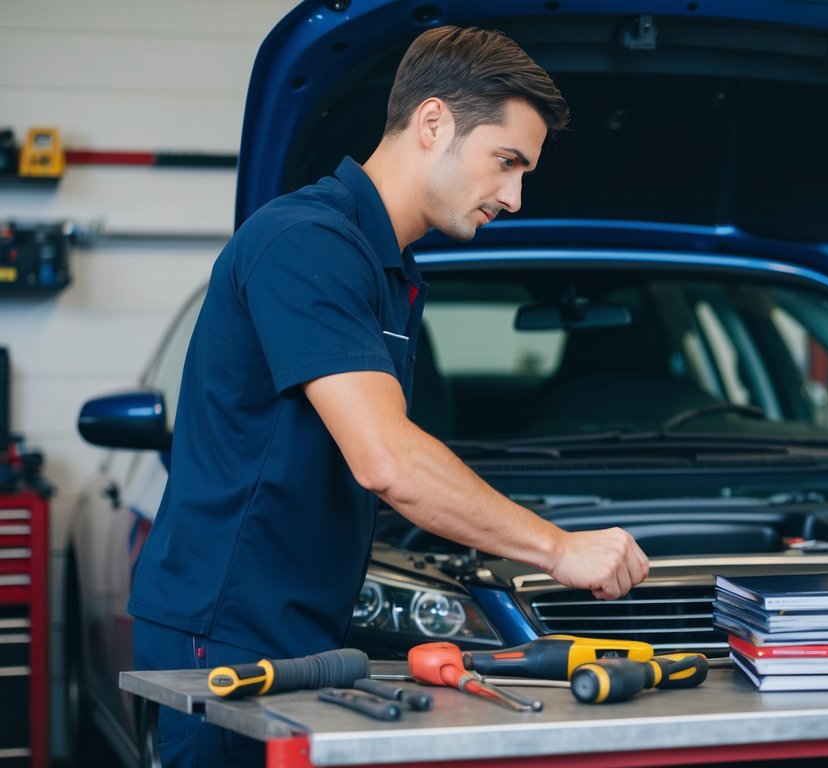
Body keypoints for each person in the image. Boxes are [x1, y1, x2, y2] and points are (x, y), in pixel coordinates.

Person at [129, 25, 649, 767]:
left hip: (304, 625)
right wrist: (557, 548)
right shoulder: (306, 243)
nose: (513, 197)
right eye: (506, 163)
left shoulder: (388, 270)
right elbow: (387, 460)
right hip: (229, 624)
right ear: (433, 123)